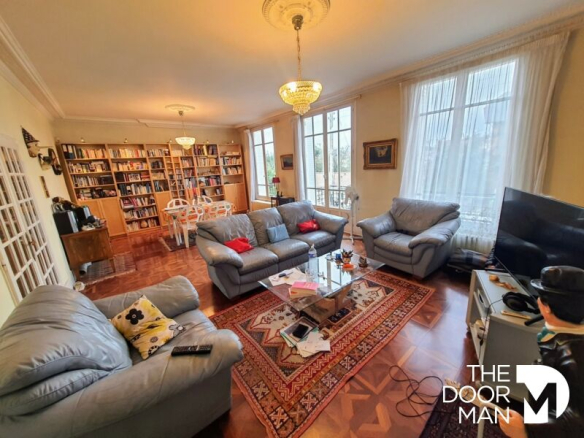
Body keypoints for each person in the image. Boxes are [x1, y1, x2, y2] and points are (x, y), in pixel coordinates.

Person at [499, 266, 584, 438]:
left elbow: (577, 422)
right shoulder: (562, 335)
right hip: (546, 405)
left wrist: (527, 431)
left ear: (547, 307)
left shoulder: (572, 358)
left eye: (539, 297)